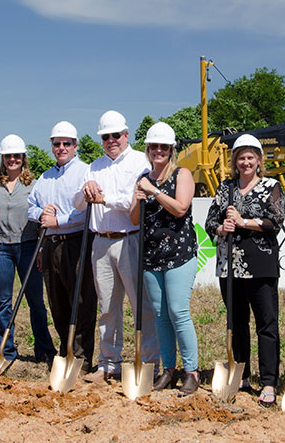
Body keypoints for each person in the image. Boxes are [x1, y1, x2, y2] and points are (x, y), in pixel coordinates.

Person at [74, 110, 156, 382]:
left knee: (140, 305)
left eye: (116, 135)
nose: (111, 140)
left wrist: (104, 197)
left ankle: (149, 362)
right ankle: (109, 363)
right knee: (108, 307)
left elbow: (135, 200)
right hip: (100, 242)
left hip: (130, 239)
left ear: (126, 135)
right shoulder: (93, 166)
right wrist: (85, 190)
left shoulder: (140, 162)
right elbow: (77, 203)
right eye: (105, 136)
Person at [205, 134, 285, 406]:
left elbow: (275, 221)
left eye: (251, 157)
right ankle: (241, 375)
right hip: (229, 267)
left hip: (260, 265)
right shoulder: (225, 188)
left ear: (259, 160)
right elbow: (209, 222)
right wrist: (221, 228)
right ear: (234, 161)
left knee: (266, 324)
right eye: (241, 157)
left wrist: (243, 221)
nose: (246, 162)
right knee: (236, 323)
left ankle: (268, 382)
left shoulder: (271, 186)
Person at [129, 122, 200, 396]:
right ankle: (168, 369)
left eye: (163, 147)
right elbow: (135, 219)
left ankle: (191, 372)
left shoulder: (182, 174)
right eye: (153, 147)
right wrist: (138, 198)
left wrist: (154, 191)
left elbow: (180, 208)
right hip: (151, 254)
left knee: (178, 312)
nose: (158, 151)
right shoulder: (143, 178)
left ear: (171, 150)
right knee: (160, 315)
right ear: (148, 150)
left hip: (179, 253)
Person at [28, 121, 97, 374]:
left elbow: (89, 212)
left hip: (77, 242)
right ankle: (65, 350)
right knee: (57, 304)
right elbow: (31, 207)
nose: (61, 147)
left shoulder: (85, 172)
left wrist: (60, 220)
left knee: (81, 301)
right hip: (51, 245)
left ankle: (82, 357)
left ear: (75, 145)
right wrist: (41, 213)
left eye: (66, 143)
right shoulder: (45, 177)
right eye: (57, 143)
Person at [0, 134, 56, 363]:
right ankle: (7, 350)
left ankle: (44, 349)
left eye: (16, 156)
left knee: (35, 300)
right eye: (8, 156)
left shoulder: (34, 186)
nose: (12, 160)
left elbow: (40, 221)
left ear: (23, 158)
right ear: (2, 159)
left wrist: (42, 250)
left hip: (28, 248)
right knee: (3, 301)